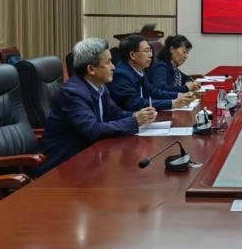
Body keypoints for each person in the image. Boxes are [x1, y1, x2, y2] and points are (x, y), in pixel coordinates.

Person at [37, 37, 158, 174]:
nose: (113, 67)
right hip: (63, 167)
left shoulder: (100, 86)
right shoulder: (73, 93)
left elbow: (115, 114)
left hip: (89, 159)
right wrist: (134, 121)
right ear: (91, 69)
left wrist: (138, 115)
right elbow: (93, 130)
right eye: (108, 62)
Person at [110, 34, 195, 112]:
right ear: (132, 55)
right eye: (146, 51)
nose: (151, 55)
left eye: (150, 51)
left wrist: (178, 95)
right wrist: (173, 103)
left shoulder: (139, 70)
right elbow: (136, 103)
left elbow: (154, 92)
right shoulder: (121, 75)